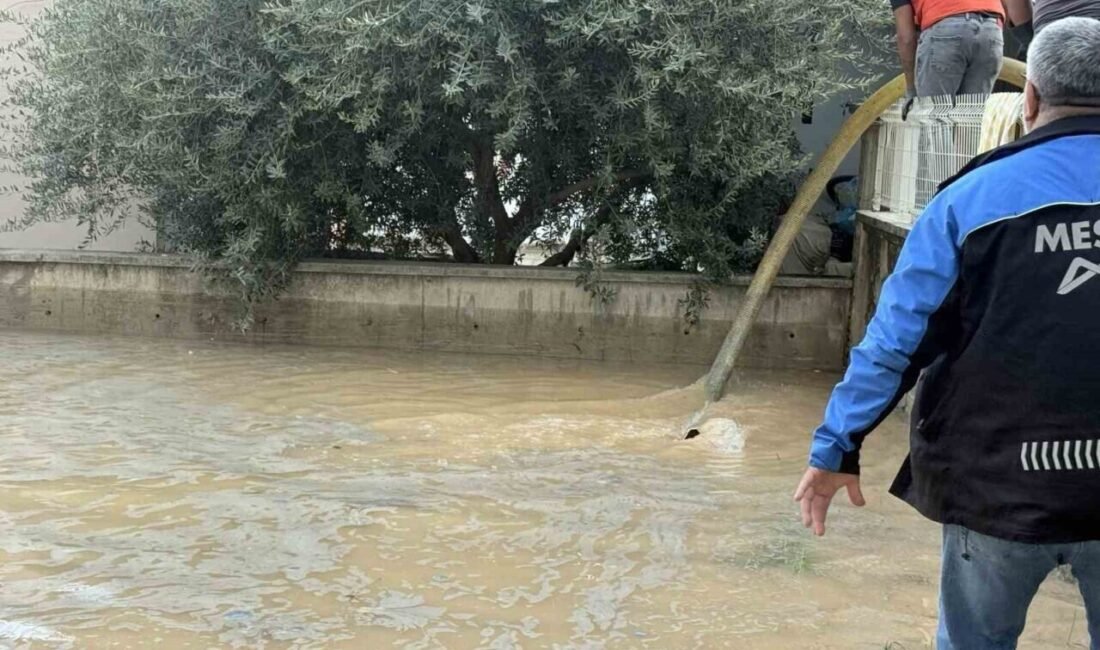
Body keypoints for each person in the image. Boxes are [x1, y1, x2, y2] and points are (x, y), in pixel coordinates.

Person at [794, 17, 1100, 649]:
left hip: (996, 488)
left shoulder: (968, 200)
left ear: (1031, 99)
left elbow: (895, 343)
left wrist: (836, 448)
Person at [892, 0, 1006, 97]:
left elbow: (906, 38)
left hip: (946, 29)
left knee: (934, 118)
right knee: (969, 119)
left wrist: (911, 90)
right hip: (991, 29)